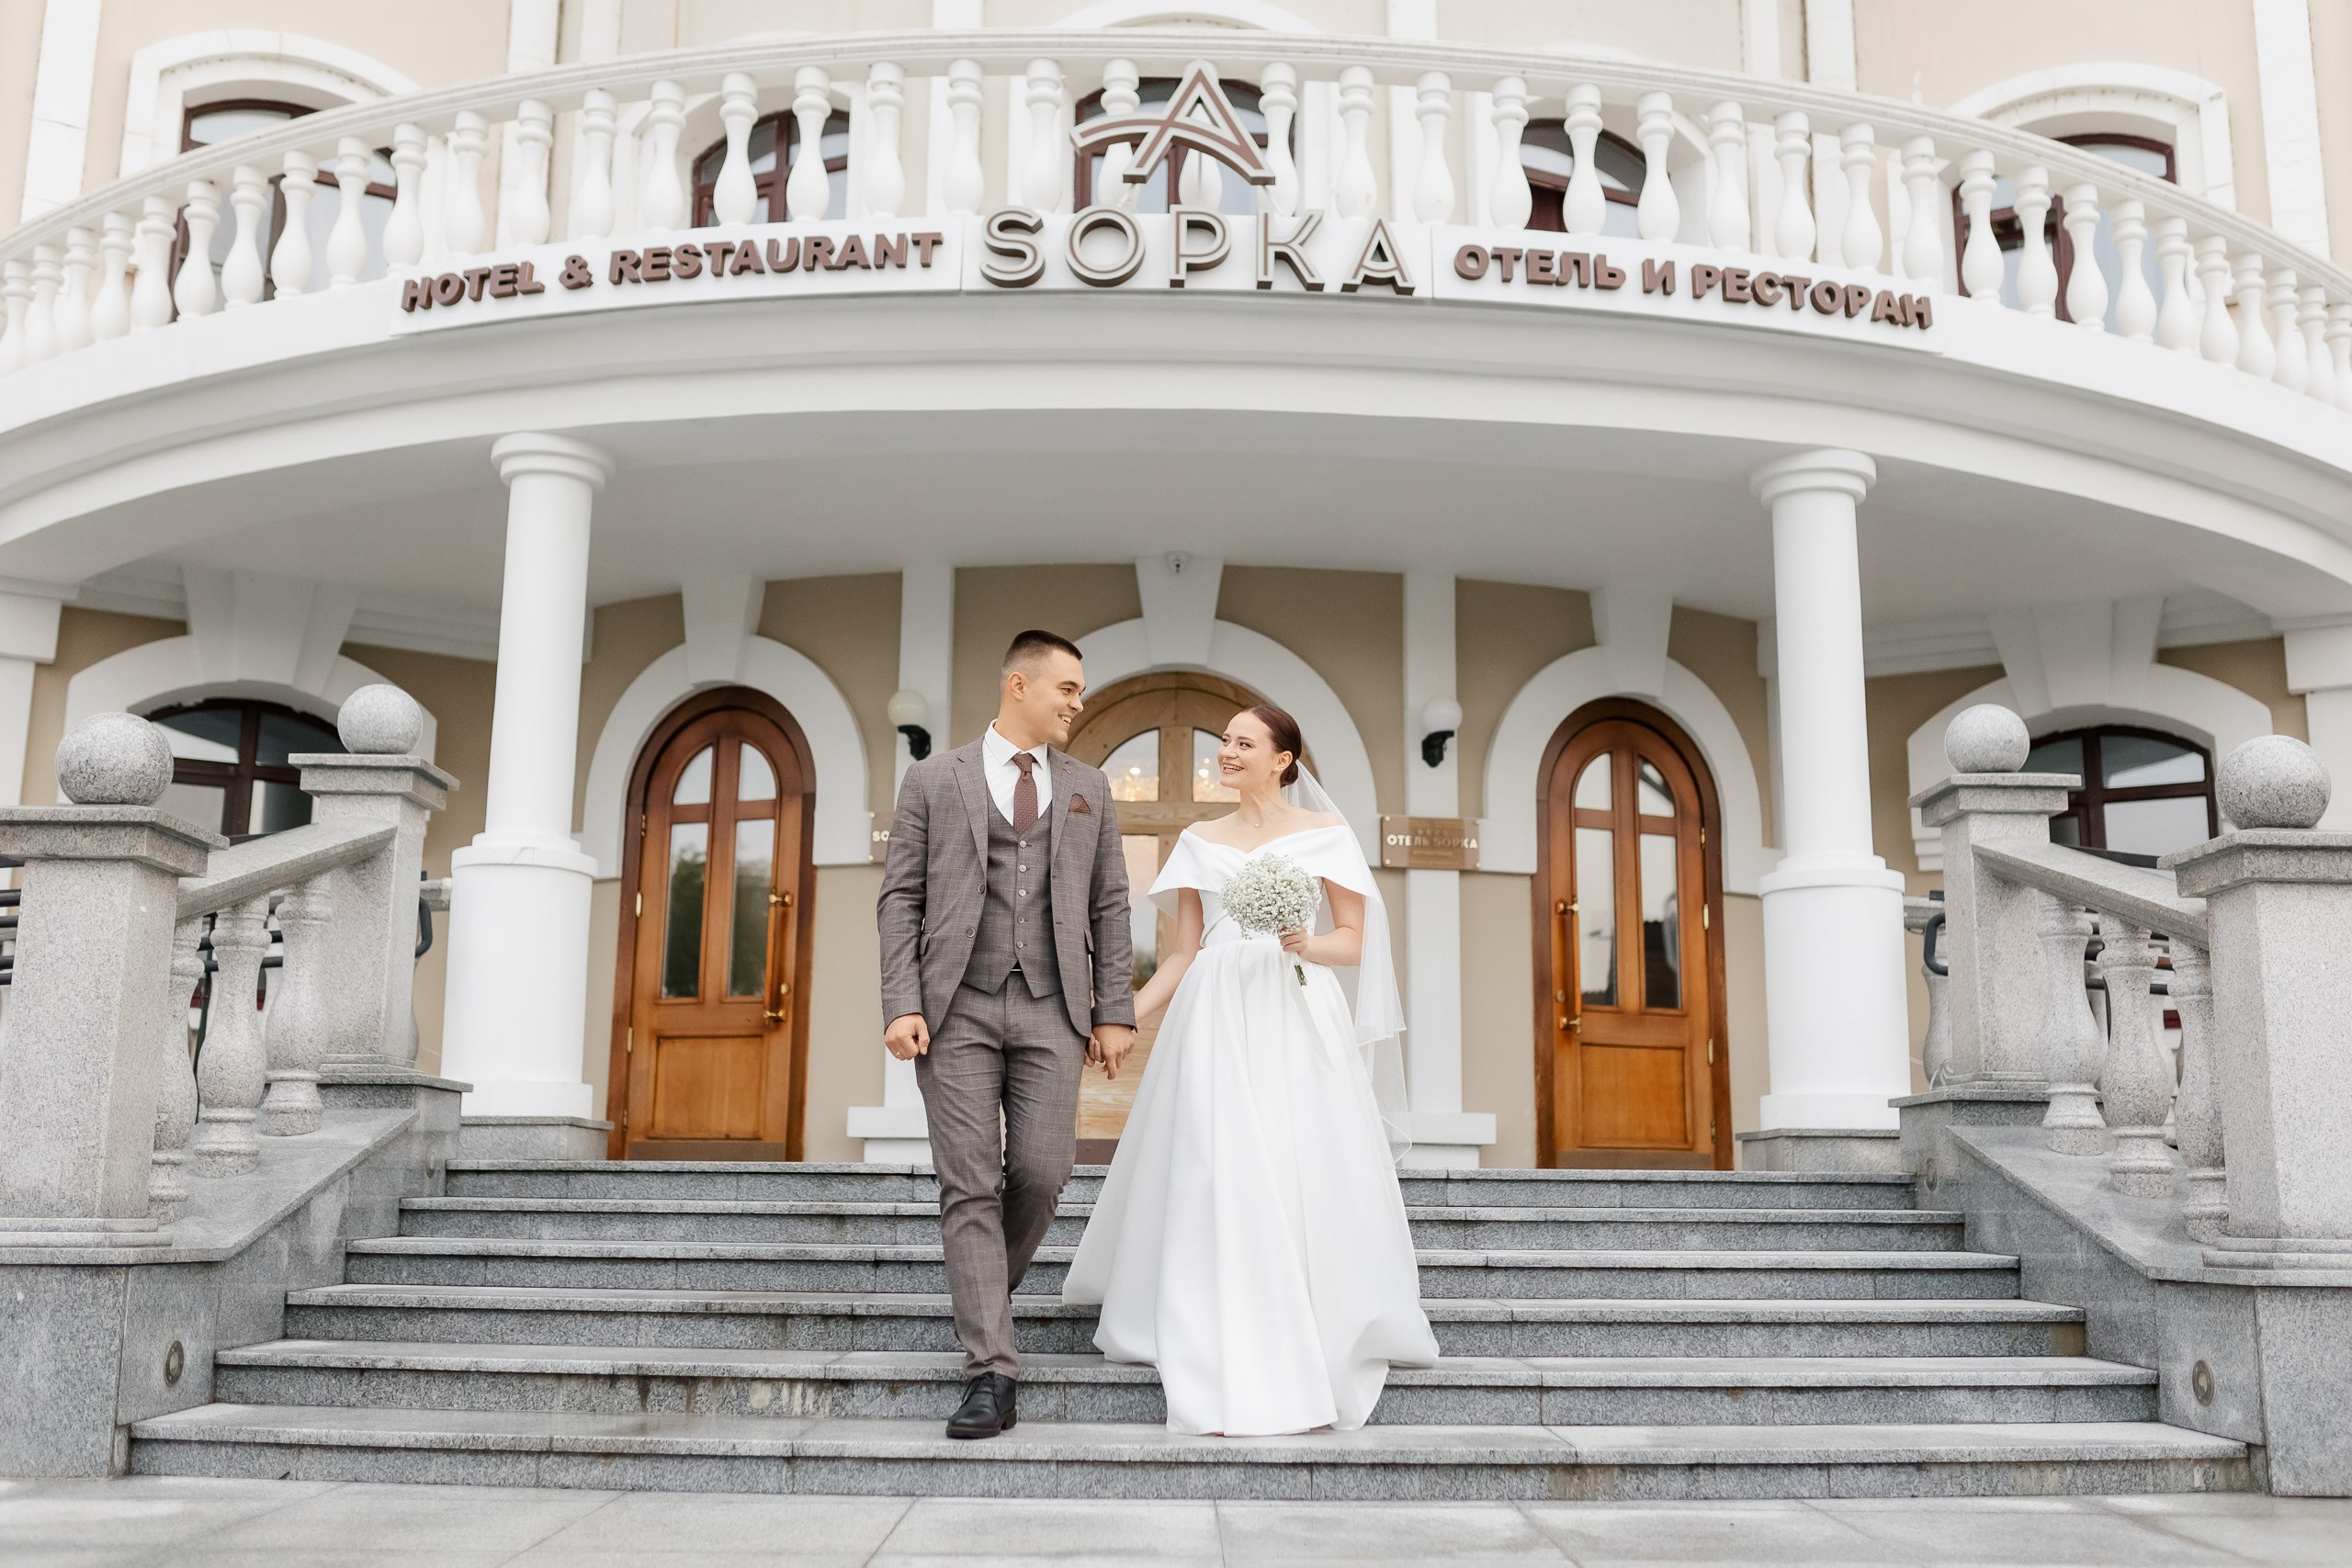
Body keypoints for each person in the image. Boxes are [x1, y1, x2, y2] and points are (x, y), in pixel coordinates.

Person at [1063, 705, 1438, 1436]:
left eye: (1243, 742)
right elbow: (1182, 952)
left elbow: (1356, 941)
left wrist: (1304, 940)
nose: (1226, 751)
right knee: (1214, 1160)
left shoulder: (1326, 835)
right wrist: (1122, 1014)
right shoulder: (1198, 838)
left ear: (1283, 759)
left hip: (1296, 1009)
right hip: (1214, 1014)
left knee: (1300, 1157)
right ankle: (1209, 1308)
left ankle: (1310, 1307)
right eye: (1224, 741)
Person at [876, 629, 1136, 1439]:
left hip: (1051, 1004)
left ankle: (980, 1285)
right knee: (968, 1183)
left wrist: (1114, 1009)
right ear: (1017, 683)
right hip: (953, 1005)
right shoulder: (931, 778)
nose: (1077, 702)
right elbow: (901, 899)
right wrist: (900, 1000)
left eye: (1080, 690)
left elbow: (1111, 905)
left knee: (1043, 1168)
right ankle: (992, 1370)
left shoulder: (1090, 786)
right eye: (1066, 687)